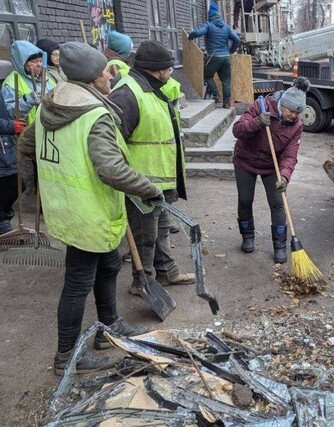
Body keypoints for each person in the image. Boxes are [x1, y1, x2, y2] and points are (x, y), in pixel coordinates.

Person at [18, 42, 163, 374]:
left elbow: (27, 145)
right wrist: (150, 188)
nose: (111, 76)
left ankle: (109, 326)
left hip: (66, 208)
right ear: (91, 78)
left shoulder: (48, 108)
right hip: (89, 211)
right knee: (77, 283)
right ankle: (66, 356)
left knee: (110, 263)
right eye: (104, 72)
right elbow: (111, 169)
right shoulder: (94, 115)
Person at [108, 40, 195, 295]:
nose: (171, 73)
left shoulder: (152, 88)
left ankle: (167, 271)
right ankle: (142, 281)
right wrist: (126, 179)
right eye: (168, 68)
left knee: (161, 229)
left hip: (158, 181)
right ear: (155, 69)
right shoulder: (127, 94)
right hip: (140, 181)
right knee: (145, 235)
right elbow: (113, 142)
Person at [231, 77, 309, 263]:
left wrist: (284, 176)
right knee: (245, 200)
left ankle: (280, 245)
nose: (292, 116)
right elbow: (237, 130)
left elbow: (290, 155)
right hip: (245, 160)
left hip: (271, 166)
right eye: (290, 112)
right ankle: (248, 236)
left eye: (296, 114)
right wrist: (257, 122)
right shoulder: (261, 106)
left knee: (278, 203)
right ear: (283, 105)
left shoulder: (296, 126)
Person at [188, 0, 240, 109]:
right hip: (225, 58)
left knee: (207, 75)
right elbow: (236, 40)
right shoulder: (226, 27)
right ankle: (226, 103)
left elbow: (198, 32)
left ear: (210, 16)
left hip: (214, 57)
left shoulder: (209, 25)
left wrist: (190, 36)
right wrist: (230, 51)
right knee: (226, 81)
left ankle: (216, 95)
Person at [0, 60, 26, 235]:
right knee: (12, 182)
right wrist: (10, 126)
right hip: (3, 142)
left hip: (4, 143)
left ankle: (2, 220)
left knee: (15, 183)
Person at [2, 40, 55, 125]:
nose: (39, 65)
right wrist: (27, 101)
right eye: (34, 62)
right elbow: (8, 113)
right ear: (22, 62)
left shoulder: (46, 78)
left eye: (40, 61)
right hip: (28, 133)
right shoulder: (11, 82)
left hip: (48, 128)